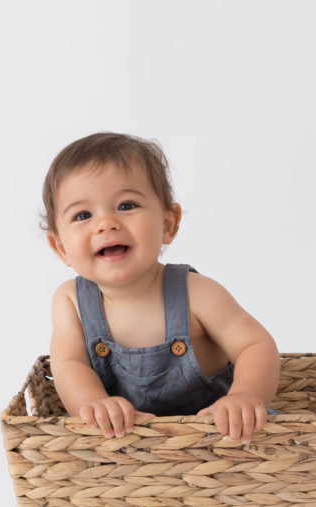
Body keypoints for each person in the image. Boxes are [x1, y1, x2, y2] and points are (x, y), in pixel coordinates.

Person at [41, 132, 280, 444]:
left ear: (168, 224)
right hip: (124, 446)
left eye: (127, 205)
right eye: (83, 215)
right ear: (60, 247)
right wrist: (94, 403)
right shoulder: (70, 300)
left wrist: (245, 396)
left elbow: (255, 345)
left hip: (222, 440)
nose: (105, 224)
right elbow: (69, 365)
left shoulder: (197, 292)